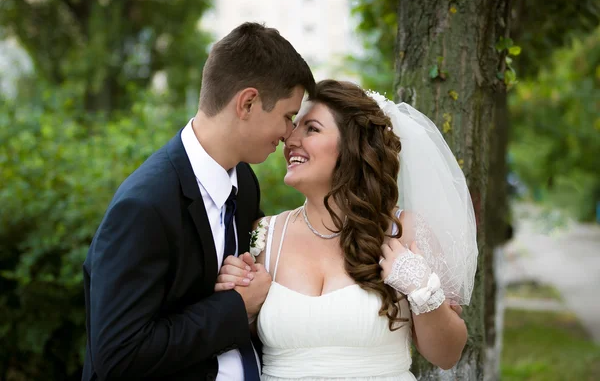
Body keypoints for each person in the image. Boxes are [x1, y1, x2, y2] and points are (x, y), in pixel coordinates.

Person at [81, 22, 315, 381]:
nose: (288, 135)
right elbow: (118, 356)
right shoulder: (144, 207)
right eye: (287, 117)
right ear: (248, 102)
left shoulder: (245, 183)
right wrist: (235, 307)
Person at [216, 80, 479, 380]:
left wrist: (423, 290)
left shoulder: (403, 231)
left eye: (311, 129)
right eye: (294, 125)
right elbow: (242, 346)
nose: (290, 139)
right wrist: (243, 306)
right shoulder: (264, 235)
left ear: (352, 146)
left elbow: (446, 355)